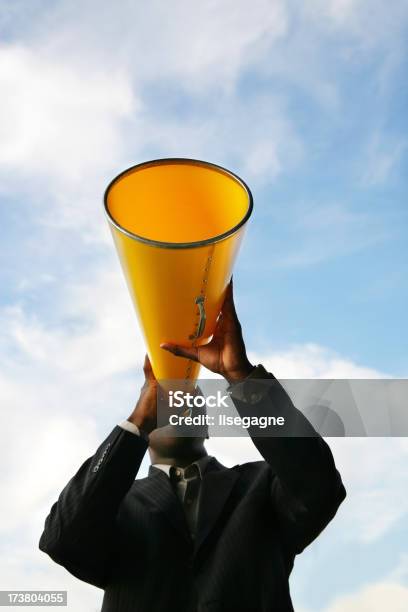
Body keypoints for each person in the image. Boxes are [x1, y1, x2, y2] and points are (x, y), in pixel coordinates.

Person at [39, 279, 346, 612]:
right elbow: (63, 540)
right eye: (165, 400)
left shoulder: (263, 488)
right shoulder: (115, 505)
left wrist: (240, 375)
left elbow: (320, 486)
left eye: (189, 397)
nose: (177, 402)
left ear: (207, 425)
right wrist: (135, 422)